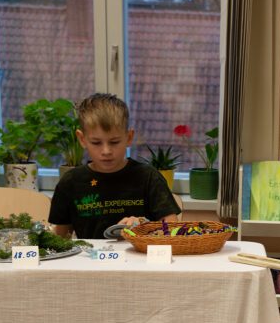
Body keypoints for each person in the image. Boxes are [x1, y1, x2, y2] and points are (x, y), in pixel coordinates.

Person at [49, 93, 181, 239]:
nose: (106, 151)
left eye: (114, 142)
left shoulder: (148, 177)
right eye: (96, 143)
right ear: (82, 139)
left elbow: (172, 230)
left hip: (138, 252)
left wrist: (144, 225)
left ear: (129, 138)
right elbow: (60, 239)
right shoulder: (71, 182)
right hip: (90, 254)